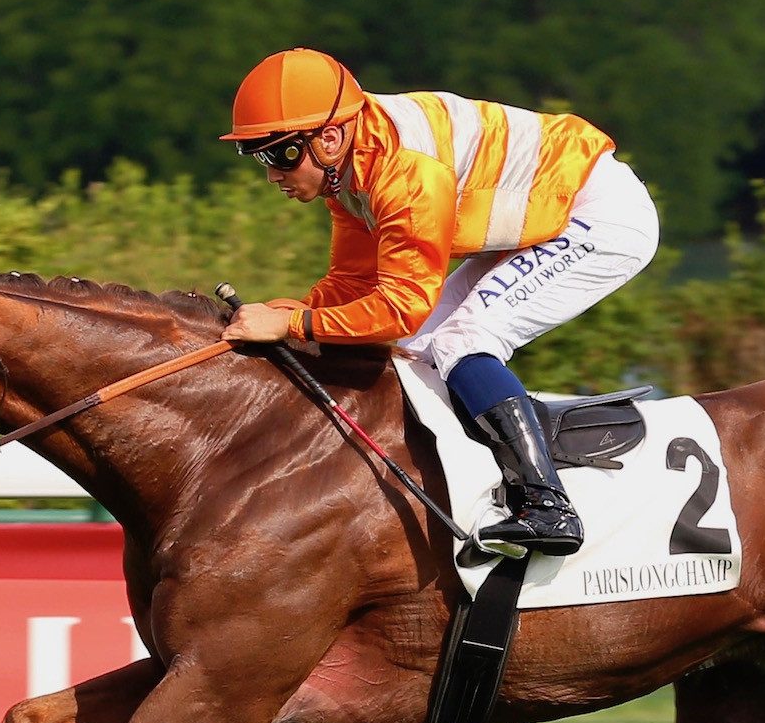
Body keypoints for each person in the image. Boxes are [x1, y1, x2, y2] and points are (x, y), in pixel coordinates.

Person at [220, 48, 660, 556]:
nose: (273, 174)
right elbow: (353, 281)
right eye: (259, 156)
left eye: (280, 154)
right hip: (549, 215)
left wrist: (292, 324)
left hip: (599, 214)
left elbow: (400, 304)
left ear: (331, 136)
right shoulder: (348, 171)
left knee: (463, 338)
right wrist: (286, 314)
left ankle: (547, 506)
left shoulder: (403, 171)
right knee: (415, 346)